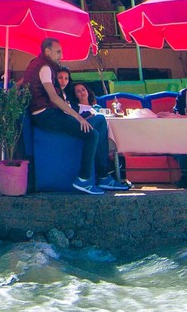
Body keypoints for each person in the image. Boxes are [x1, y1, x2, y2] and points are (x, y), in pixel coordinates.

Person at [24, 37, 129, 195]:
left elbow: (24, 81)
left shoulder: (36, 64)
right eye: (58, 52)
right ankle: (84, 179)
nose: (61, 55)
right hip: (45, 115)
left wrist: (13, 87)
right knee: (91, 134)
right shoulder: (45, 67)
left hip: (48, 113)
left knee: (99, 121)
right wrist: (77, 117)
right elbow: (53, 97)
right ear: (47, 51)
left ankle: (103, 176)